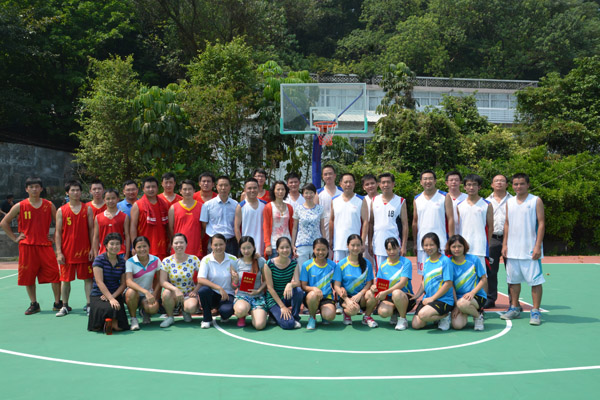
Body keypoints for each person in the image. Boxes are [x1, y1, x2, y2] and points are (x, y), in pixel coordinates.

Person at [0, 177, 61, 314]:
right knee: (28, 276)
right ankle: (34, 304)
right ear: (26, 189)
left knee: (55, 275)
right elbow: (4, 223)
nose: (34, 189)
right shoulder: (20, 206)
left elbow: (59, 222)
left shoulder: (49, 205)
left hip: (45, 245)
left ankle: (58, 303)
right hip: (27, 246)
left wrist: (54, 237)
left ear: (41, 189)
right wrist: (15, 238)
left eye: (37, 187)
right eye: (31, 187)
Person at [501, 173, 545, 326]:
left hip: (530, 250)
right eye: (515, 184)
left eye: (521, 184)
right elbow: (507, 223)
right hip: (513, 250)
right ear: (512, 186)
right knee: (513, 281)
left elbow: (541, 223)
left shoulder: (535, 200)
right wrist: (505, 244)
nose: (518, 186)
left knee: (535, 282)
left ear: (528, 185)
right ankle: (514, 308)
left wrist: (537, 246)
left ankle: (535, 311)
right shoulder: (509, 202)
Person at [54, 180, 94, 317]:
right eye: (72, 190)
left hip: (85, 251)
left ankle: (89, 305)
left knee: (88, 279)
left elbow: (91, 230)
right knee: (65, 280)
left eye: (78, 190)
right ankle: (65, 306)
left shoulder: (87, 209)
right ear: (67, 192)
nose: (76, 192)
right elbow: (58, 233)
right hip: (67, 252)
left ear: (81, 192)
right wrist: (59, 252)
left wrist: (93, 249)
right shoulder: (61, 210)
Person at [411, 233, 454, 331]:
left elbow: (448, 284)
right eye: (426, 245)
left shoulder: (445, 261)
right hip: (428, 299)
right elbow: (424, 281)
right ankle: (435, 317)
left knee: (423, 315)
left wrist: (432, 298)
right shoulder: (427, 261)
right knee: (416, 325)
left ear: (437, 245)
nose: (428, 248)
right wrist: (417, 295)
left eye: (431, 245)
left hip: (443, 300)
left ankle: (445, 316)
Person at [87, 233, 129, 332]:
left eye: (117, 244)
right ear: (106, 245)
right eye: (112, 244)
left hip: (115, 294)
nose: (115, 246)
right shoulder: (99, 260)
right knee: (109, 308)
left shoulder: (122, 262)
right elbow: (99, 282)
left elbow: (123, 284)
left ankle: (111, 324)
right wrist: (110, 298)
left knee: (121, 327)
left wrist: (112, 297)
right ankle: (105, 323)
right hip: (99, 294)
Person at [333, 234, 377, 328]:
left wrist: (360, 294)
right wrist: (347, 300)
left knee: (372, 294)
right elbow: (336, 285)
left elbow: (369, 283)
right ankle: (347, 313)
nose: (355, 248)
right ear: (347, 246)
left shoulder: (367, 264)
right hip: (346, 297)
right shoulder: (341, 264)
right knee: (353, 310)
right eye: (353, 245)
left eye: (358, 245)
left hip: (361, 296)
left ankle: (367, 317)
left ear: (361, 246)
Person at [367, 173, 408, 272]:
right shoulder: (374, 200)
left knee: (395, 274)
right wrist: (370, 243)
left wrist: (404, 246)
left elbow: (405, 225)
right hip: (378, 244)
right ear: (379, 184)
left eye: (388, 182)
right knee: (381, 274)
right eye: (383, 182)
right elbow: (371, 223)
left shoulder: (400, 201)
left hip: (395, 245)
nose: (385, 185)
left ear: (393, 184)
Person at [372, 237, 415, 331]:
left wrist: (386, 292)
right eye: (389, 249)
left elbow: (402, 283)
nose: (392, 252)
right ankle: (395, 313)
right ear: (386, 250)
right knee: (383, 312)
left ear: (399, 248)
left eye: (394, 248)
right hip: (389, 298)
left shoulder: (405, 262)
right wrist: (374, 287)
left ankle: (403, 319)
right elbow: (380, 285)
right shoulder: (383, 265)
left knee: (396, 293)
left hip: (406, 297)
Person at [160, 234, 202, 328]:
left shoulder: (194, 259)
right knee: (166, 293)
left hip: (188, 293)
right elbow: (162, 281)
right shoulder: (166, 261)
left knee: (191, 308)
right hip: (173, 294)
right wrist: (175, 290)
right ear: (172, 245)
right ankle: (170, 317)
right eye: (176, 243)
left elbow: (202, 278)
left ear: (186, 244)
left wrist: (195, 291)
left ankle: (185, 310)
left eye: (181, 242)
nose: (179, 245)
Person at [413, 170, 450, 274]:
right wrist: (415, 242)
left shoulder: (444, 196)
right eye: (425, 179)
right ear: (421, 182)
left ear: (435, 181)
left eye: (430, 179)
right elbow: (415, 222)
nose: (428, 181)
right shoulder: (417, 199)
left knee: (442, 273)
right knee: (424, 273)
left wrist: (450, 241)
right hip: (423, 244)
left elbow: (450, 219)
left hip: (441, 243)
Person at [447, 235, 487, 331]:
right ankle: (465, 309)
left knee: (463, 303)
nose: (457, 249)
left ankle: (478, 316)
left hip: (476, 296)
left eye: (459, 246)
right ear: (449, 248)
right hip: (459, 299)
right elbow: (451, 285)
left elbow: (484, 279)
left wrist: (472, 292)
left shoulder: (473, 260)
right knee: (457, 325)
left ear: (464, 246)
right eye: (453, 247)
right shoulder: (448, 262)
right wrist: (456, 305)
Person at [197, 234, 237, 329]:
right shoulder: (206, 260)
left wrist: (235, 280)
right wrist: (219, 288)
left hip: (227, 294)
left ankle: (223, 313)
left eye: (221, 244)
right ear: (211, 246)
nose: (218, 247)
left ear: (225, 244)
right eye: (215, 245)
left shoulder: (233, 259)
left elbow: (235, 285)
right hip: (212, 294)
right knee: (203, 290)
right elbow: (200, 279)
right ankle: (207, 319)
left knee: (226, 312)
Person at [485, 174, 513, 309]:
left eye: (502, 181)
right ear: (492, 184)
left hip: (511, 239)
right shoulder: (486, 201)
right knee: (491, 271)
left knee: (512, 271)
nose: (499, 183)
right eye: (496, 181)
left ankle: (513, 301)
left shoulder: (513, 200)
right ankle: (490, 299)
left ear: (507, 184)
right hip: (492, 238)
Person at [263, 237, 303, 329]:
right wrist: (282, 307)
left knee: (298, 291)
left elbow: (297, 283)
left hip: (286, 296)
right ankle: (274, 314)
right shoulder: (269, 264)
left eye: (287, 247)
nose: (285, 250)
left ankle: (295, 317)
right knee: (288, 324)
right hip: (273, 299)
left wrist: (290, 284)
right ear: (277, 250)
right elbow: (270, 288)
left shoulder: (294, 264)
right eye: (282, 248)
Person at [456, 174, 493, 267]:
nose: (471, 187)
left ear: (479, 187)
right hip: (463, 246)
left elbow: (491, 227)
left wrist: (486, 243)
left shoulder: (487, 204)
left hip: (479, 246)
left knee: (481, 274)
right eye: (469, 185)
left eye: (474, 184)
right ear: (464, 187)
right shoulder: (459, 205)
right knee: (464, 274)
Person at [300, 238, 337, 330]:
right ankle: (312, 317)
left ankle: (324, 314)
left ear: (327, 250)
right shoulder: (306, 265)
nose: (320, 252)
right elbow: (303, 286)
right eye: (318, 250)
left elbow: (335, 284)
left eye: (323, 250)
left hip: (326, 297)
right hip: (311, 297)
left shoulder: (333, 266)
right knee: (313, 295)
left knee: (329, 316)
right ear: (313, 250)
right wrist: (314, 289)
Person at [125, 236, 161, 329]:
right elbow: (129, 281)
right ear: (134, 249)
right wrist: (145, 292)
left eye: (144, 246)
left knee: (153, 308)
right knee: (131, 292)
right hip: (133, 294)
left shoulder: (156, 260)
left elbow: (160, 280)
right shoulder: (130, 262)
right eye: (139, 247)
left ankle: (145, 311)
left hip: (148, 295)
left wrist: (154, 294)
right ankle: (134, 319)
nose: (142, 249)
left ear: (149, 247)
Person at [232, 236, 267, 330]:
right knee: (240, 310)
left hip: (257, 297)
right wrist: (235, 281)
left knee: (259, 325)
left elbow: (266, 281)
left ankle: (254, 312)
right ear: (240, 249)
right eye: (243, 248)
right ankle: (242, 315)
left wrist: (258, 290)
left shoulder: (261, 261)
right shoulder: (235, 263)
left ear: (254, 248)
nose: (246, 251)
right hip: (242, 296)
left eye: (249, 247)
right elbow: (233, 287)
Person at [130, 176, 170, 260]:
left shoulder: (164, 204)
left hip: (162, 245)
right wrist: (134, 245)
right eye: (148, 187)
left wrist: (170, 241)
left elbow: (168, 226)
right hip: (143, 246)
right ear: (143, 189)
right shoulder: (137, 205)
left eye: (153, 187)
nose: (151, 189)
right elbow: (133, 226)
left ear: (157, 188)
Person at [200, 175, 239, 255]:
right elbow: (204, 224)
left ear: (230, 187)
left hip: (231, 242)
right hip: (214, 242)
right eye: (221, 185)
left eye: (226, 185)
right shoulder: (208, 205)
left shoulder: (235, 204)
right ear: (216, 187)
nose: (223, 188)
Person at [330, 173, 364, 263]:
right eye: (345, 182)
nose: (348, 184)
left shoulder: (361, 200)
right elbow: (331, 220)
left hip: (355, 245)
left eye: (350, 182)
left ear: (354, 183)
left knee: (354, 268)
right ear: (340, 184)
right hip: (339, 243)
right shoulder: (334, 200)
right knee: (339, 269)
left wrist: (362, 241)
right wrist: (330, 239)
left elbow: (366, 222)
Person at [291, 183, 326, 268]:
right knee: (302, 269)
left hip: (317, 244)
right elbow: (295, 228)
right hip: (301, 244)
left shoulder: (320, 209)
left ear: (315, 193)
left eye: (311, 192)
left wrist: (325, 243)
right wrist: (293, 244)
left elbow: (322, 227)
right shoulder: (298, 209)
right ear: (303, 194)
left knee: (316, 268)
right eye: (306, 193)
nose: (308, 195)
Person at [169, 180, 203, 259]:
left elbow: (203, 228)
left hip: (195, 247)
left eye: (190, 189)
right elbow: (170, 228)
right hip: (178, 247)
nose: (187, 192)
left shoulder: (201, 207)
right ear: (180, 191)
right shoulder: (173, 208)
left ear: (194, 190)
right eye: (184, 189)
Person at [92, 189, 130, 258]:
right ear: (104, 200)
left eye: (113, 198)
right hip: (103, 253)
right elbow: (96, 237)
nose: (110, 201)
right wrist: (95, 255)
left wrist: (127, 255)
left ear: (118, 199)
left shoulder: (124, 217)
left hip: (120, 253)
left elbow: (127, 236)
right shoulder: (98, 217)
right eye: (108, 199)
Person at [234, 178, 266, 257]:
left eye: (255, 188)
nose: (252, 190)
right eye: (249, 188)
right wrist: (242, 245)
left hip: (262, 246)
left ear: (258, 188)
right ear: (245, 190)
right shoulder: (240, 206)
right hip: (247, 248)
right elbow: (236, 228)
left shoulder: (265, 205)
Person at [263, 181, 294, 259]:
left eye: (283, 189)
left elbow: (292, 227)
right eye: (278, 189)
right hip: (274, 245)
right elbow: (266, 227)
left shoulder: (289, 207)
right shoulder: (268, 207)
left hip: (287, 244)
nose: (280, 192)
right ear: (273, 191)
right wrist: (267, 244)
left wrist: (293, 244)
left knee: (288, 266)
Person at [193, 172, 218, 256]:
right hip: (196, 234)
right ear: (199, 183)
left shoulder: (218, 198)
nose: (206, 183)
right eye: (203, 181)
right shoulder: (192, 197)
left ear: (213, 184)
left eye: (208, 181)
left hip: (213, 235)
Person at [316, 165, 341, 244]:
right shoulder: (318, 193)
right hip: (324, 231)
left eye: (330, 174)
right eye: (325, 174)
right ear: (322, 177)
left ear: (335, 175)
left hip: (340, 229)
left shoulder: (342, 192)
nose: (328, 176)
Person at [361, 174, 378, 265]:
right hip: (366, 241)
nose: (370, 186)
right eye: (367, 184)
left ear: (377, 184)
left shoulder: (383, 199)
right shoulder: (361, 200)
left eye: (372, 183)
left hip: (380, 239)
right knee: (367, 267)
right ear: (363, 187)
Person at [444, 171, 467, 235]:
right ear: (447, 183)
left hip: (464, 232)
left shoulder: (467, 198)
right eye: (451, 180)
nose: (454, 182)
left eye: (456, 180)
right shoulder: (442, 198)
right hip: (446, 233)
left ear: (460, 182)